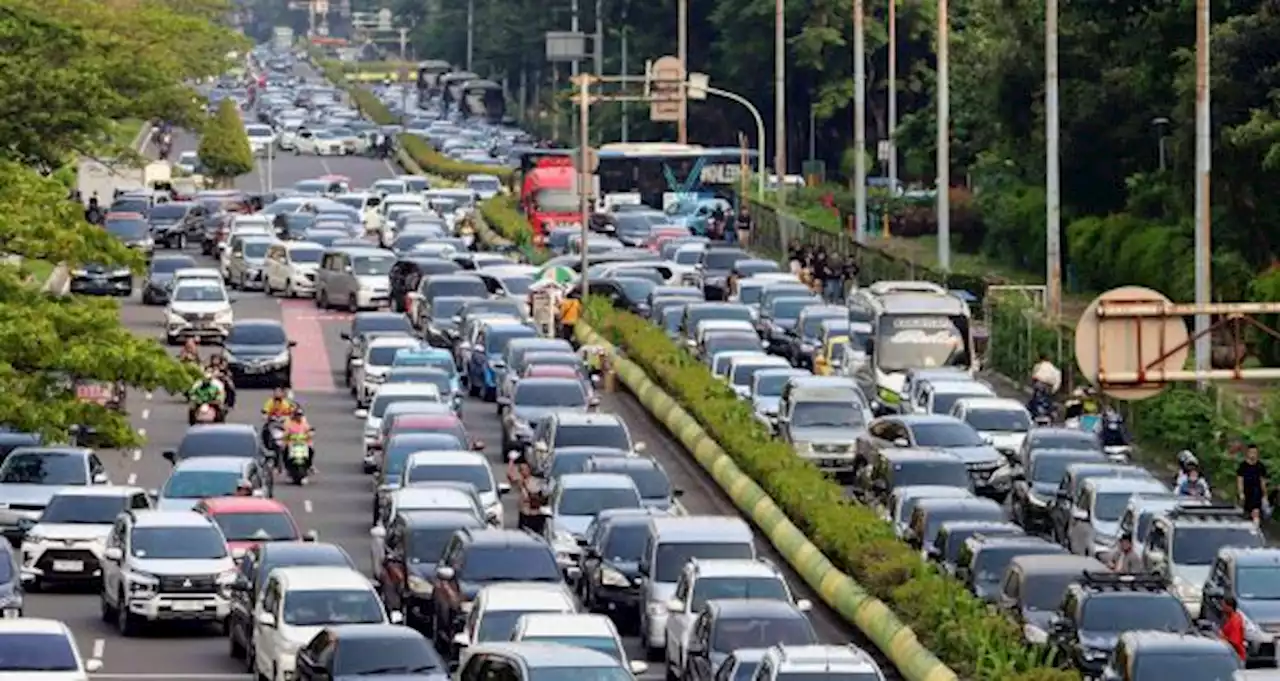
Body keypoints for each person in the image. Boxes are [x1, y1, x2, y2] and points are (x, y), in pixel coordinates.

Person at [508, 456, 547, 535]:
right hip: (524, 514)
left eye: (525, 469)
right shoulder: (520, 482)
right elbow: (510, 475)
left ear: (529, 470)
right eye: (521, 470)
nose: (523, 471)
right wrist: (511, 461)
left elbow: (543, 494)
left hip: (536, 515)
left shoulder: (536, 481)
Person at [1237, 443, 1270, 524]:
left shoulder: (1260, 466)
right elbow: (1240, 480)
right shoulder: (1243, 466)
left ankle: (1256, 523)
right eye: (1251, 452)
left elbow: (1262, 481)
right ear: (1247, 453)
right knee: (1247, 513)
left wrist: (1265, 495)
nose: (1253, 455)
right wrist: (1241, 493)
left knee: (1256, 510)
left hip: (1257, 492)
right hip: (1246, 491)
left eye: (1255, 453)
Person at [283, 406, 315, 475]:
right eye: (297, 415)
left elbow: (309, 430)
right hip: (292, 443)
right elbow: (286, 432)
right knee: (285, 452)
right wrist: (286, 436)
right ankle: (286, 467)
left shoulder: (304, 423)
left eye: (300, 415)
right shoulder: (289, 424)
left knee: (311, 451)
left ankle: (309, 465)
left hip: (303, 443)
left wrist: (310, 433)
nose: (298, 417)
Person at [1220, 595, 1247, 662]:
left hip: (1236, 657)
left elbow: (1234, 642)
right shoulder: (1231, 618)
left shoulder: (1235, 621)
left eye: (1224, 606)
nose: (1222, 608)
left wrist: (1222, 637)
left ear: (1230, 607)